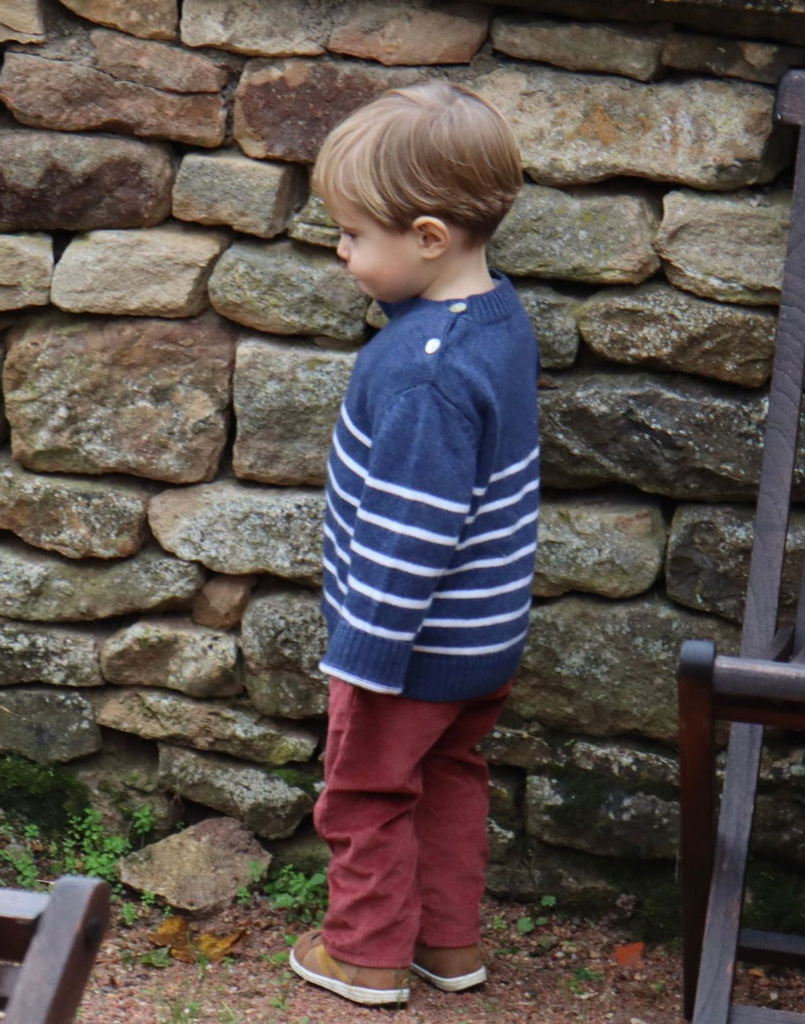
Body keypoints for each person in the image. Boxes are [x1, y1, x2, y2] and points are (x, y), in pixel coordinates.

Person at [288, 79, 541, 1007]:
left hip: (408, 645)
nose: (343, 252)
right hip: (484, 642)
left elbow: (409, 533)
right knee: (447, 779)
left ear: (429, 238)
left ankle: (363, 952)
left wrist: (363, 654)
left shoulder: (421, 377)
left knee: (366, 795)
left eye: (354, 235)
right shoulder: (500, 322)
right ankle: (448, 944)